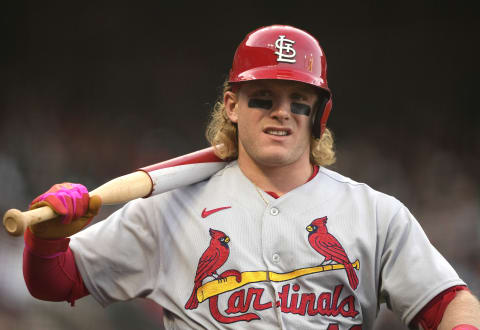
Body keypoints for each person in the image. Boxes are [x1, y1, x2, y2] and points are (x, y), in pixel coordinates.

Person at [22, 25, 480, 329]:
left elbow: (451, 302)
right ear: (232, 105)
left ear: (320, 114)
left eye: (298, 100)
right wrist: (47, 241)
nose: (281, 112)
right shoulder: (168, 207)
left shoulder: (375, 213)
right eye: (263, 97)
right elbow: (57, 282)